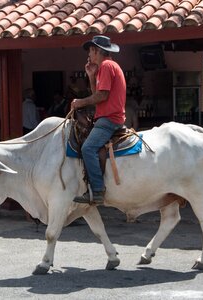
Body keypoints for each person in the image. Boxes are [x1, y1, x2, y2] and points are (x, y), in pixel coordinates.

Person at [71, 35, 126, 205]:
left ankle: (97, 190)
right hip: (110, 118)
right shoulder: (107, 67)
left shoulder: (107, 66)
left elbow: (102, 96)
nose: (89, 55)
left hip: (109, 120)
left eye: (90, 51)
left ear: (96, 51)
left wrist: (80, 102)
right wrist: (90, 76)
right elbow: (98, 93)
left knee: (88, 148)